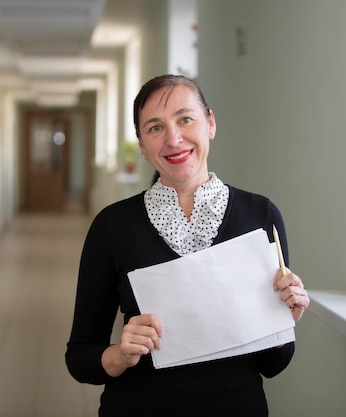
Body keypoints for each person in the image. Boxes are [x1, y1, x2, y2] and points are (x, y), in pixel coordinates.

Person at [65, 74, 310, 417]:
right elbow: (80, 358)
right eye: (155, 128)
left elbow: (272, 365)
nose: (174, 139)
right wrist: (120, 354)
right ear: (142, 145)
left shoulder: (260, 215)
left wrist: (284, 323)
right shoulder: (113, 225)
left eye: (185, 119)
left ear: (209, 123)